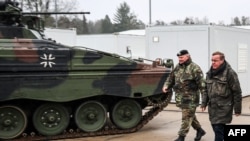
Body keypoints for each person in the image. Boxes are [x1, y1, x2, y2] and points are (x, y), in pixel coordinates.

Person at [162, 49, 206, 141]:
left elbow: (202, 86)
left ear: (188, 56)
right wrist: (166, 85)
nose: (180, 59)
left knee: (186, 117)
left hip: (191, 99)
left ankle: (181, 137)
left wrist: (204, 102)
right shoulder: (178, 67)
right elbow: (170, 78)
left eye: (181, 57)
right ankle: (200, 130)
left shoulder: (195, 68)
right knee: (190, 116)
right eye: (178, 57)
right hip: (181, 98)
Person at [201, 51, 242, 141]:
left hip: (224, 108)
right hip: (213, 108)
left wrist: (237, 109)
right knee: (215, 127)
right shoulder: (209, 73)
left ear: (222, 60)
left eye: (215, 60)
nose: (213, 62)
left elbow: (237, 92)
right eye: (212, 60)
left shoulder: (230, 73)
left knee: (218, 129)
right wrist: (204, 103)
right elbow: (205, 89)